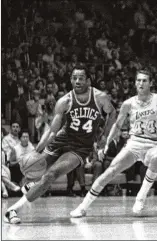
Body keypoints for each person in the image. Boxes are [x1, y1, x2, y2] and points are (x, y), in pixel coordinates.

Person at [4, 65, 116, 224]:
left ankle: (12, 210)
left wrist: (105, 135)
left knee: (50, 175)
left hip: (80, 147)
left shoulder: (100, 97)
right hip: (61, 140)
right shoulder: (65, 101)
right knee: (35, 168)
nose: (77, 81)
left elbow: (112, 113)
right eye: (74, 78)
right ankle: (31, 186)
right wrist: (38, 150)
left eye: (81, 78)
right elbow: (52, 131)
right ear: (71, 80)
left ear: (88, 80)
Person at [70, 69, 157, 218]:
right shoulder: (128, 103)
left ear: (151, 83)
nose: (141, 83)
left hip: (153, 143)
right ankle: (83, 206)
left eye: (144, 80)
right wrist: (106, 143)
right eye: (138, 80)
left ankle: (141, 197)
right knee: (110, 171)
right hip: (134, 143)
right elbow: (118, 125)